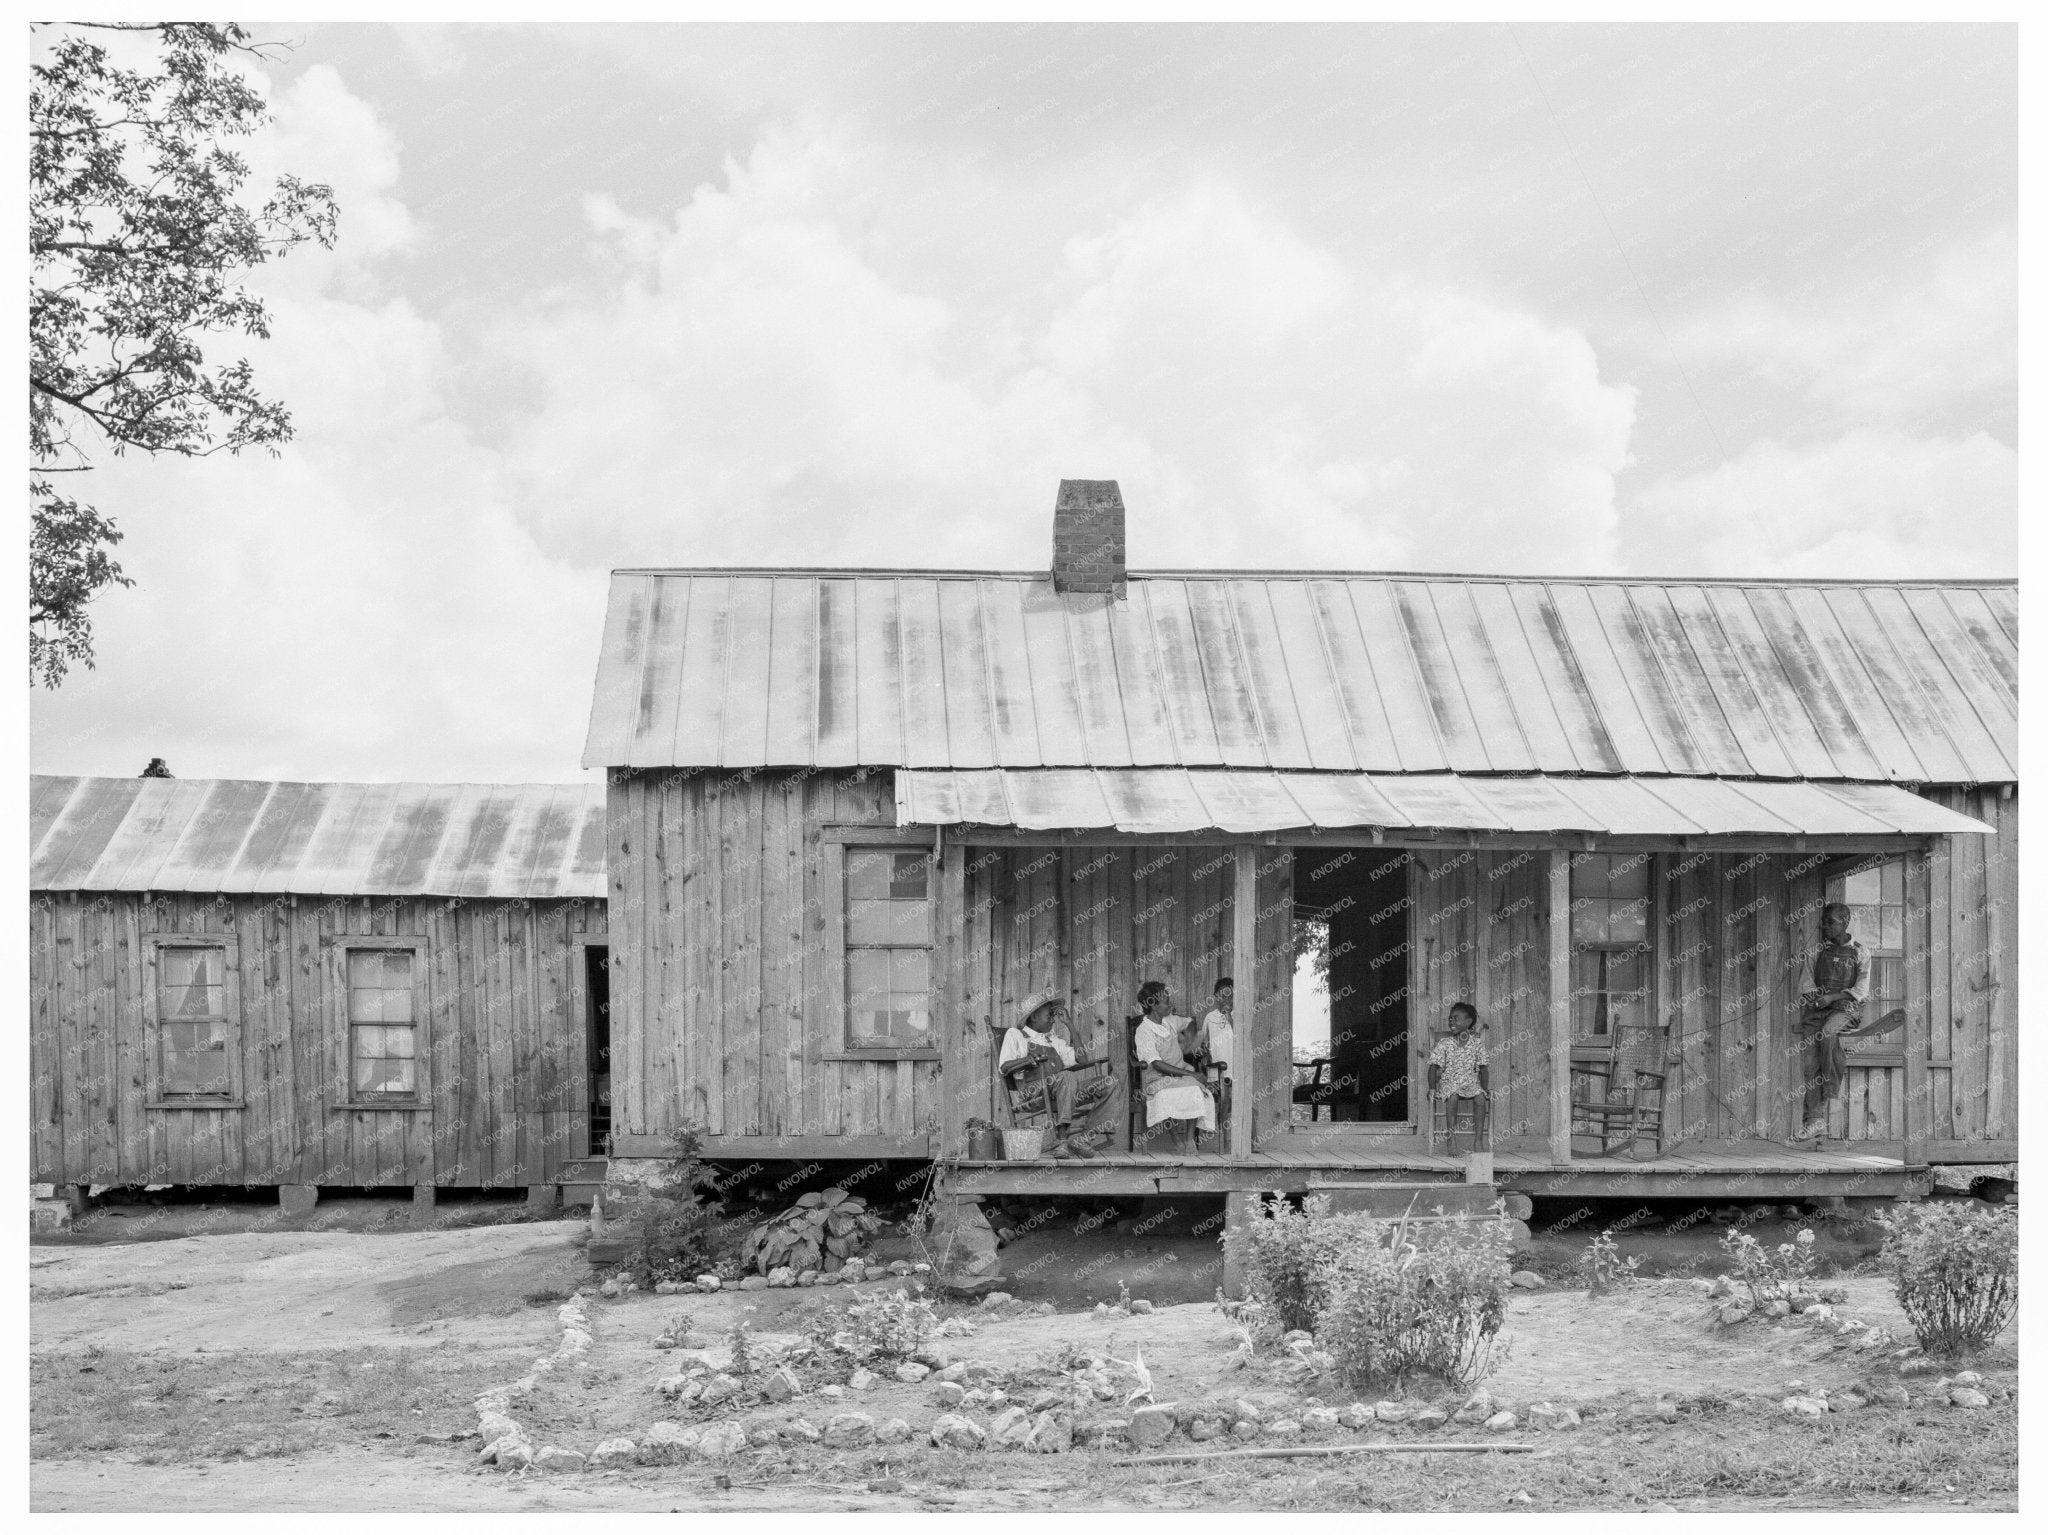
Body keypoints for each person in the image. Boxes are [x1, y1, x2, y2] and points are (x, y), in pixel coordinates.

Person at [998, 991, 1122, 1156]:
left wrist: (1069, 1024)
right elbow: (1004, 1067)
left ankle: (1083, 1139)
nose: (1053, 1018)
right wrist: (1028, 1060)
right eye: (1049, 1015)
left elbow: (1082, 1060)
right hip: (1033, 1092)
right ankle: (1062, 1139)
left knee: (1109, 1082)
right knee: (1067, 1076)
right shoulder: (1016, 1035)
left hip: (1064, 1090)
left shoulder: (1051, 1039)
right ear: (1034, 1017)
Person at [1797, 902, 1868, 1141]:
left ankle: (1830, 1088)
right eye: (1823, 922)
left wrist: (1833, 997)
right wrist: (1816, 998)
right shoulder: (1816, 951)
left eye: (1831, 922)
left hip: (1846, 1008)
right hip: (1818, 1010)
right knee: (1810, 1065)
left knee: (1828, 1033)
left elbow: (1860, 990)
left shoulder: (1861, 952)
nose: (1825, 926)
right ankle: (1814, 1121)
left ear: (1845, 921)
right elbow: (1806, 984)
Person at [1132, 980, 1217, 1152]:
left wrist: (1188, 1043)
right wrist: (1192, 1075)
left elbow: (1190, 1021)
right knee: (1169, 1094)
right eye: (1166, 1001)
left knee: (1195, 1090)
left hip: (1181, 1074)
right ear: (1154, 1006)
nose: (1170, 1004)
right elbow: (1157, 1064)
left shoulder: (1169, 1021)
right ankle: (1176, 1139)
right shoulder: (1143, 1031)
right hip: (1157, 1078)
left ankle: (1189, 1140)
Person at [1427, 1002, 1490, 1149]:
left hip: (1470, 1083)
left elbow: (1483, 1069)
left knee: (1480, 1098)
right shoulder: (1445, 1043)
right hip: (1449, 1083)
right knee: (1453, 1096)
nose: (1451, 1021)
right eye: (1450, 1019)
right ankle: (1451, 1139)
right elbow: (1433, 1067)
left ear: (1468, 1022)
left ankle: (1478, 1140)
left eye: (1456, 1018)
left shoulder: (1477, 1043)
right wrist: (1431, 1088)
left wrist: (1484, 1089)